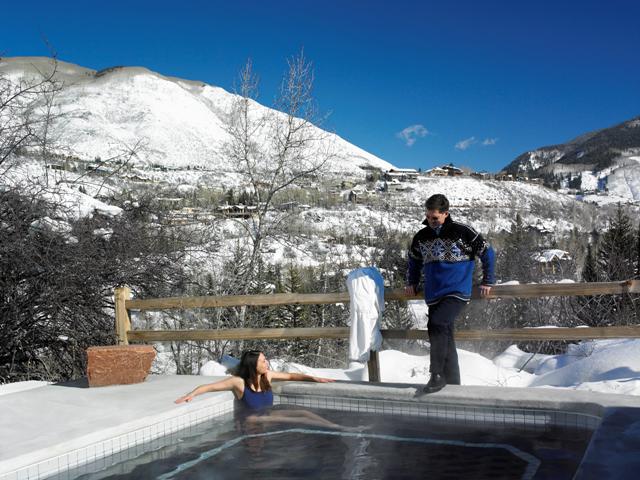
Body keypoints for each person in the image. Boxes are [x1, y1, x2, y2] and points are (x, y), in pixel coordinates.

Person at [405, 194, 495, 393]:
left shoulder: (462, 231)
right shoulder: (421, 236)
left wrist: (488, 281)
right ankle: (453, 385)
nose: (430, 220)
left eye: (435, 217)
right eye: (428, 216)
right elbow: (414, 260)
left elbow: (487, 252)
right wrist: (411, 282)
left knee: (436, 324)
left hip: (457, 291)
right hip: (433, 293)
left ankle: (436, 374)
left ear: (446, 213)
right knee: (445, 335)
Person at [175, 350, 358, 431]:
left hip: (266, 415)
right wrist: (190, 395)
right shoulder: (239, 382)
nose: (266, 362)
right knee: (299, 419)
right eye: (263, 361)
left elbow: (291, 376)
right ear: (253, 364)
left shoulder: (267, 376)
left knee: (304, 413)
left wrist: (314, 378)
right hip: (250, 420)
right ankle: (340, 429)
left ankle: (336, 427)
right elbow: (209, 387)